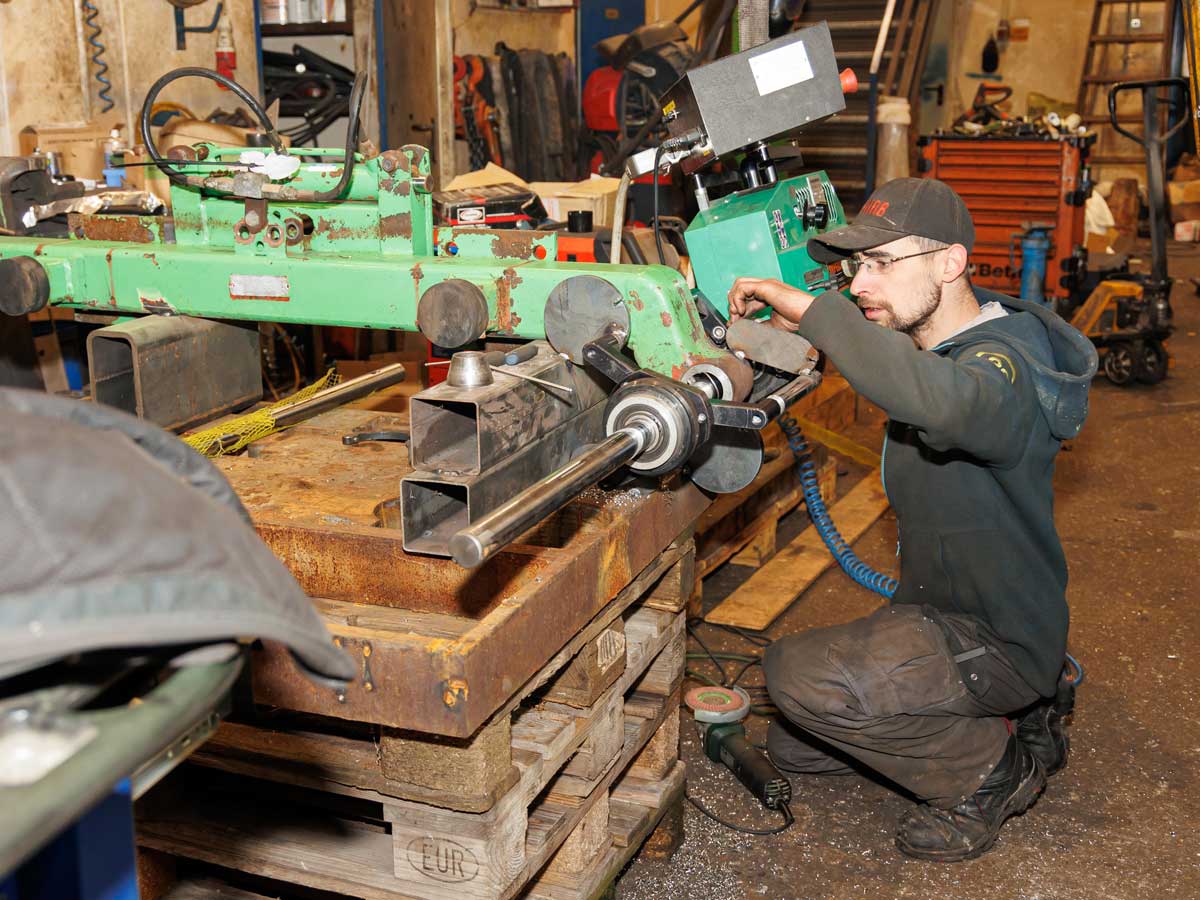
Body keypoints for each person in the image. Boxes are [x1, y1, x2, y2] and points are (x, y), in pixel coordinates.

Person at [727, 177, 1097, 861]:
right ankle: (1029, 713)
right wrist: (808, 334)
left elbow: (946, 404)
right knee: (794, 742)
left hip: (997, 638)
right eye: (854, 267)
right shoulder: (940, 348)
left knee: (798, 678)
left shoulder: (1003, 366)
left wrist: (820, 314)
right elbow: (905, 375)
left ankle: (992, 771)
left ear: (950, 263)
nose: (859, 283)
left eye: (879, 263)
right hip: (944, 611)